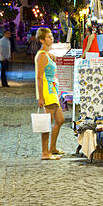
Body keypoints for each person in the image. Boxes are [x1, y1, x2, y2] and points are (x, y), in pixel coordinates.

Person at [34, 27, 64, 160]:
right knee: (48, 122)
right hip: (47, 91)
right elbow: (39, 77)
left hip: (53, 90)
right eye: (48, 37)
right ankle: (45, 152)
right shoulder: (41, 55)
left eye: (51, 36)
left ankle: (52, 148)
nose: (51, 38)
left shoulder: (47, 55)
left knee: (60, 120)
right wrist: (41, 97)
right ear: (42, 40)